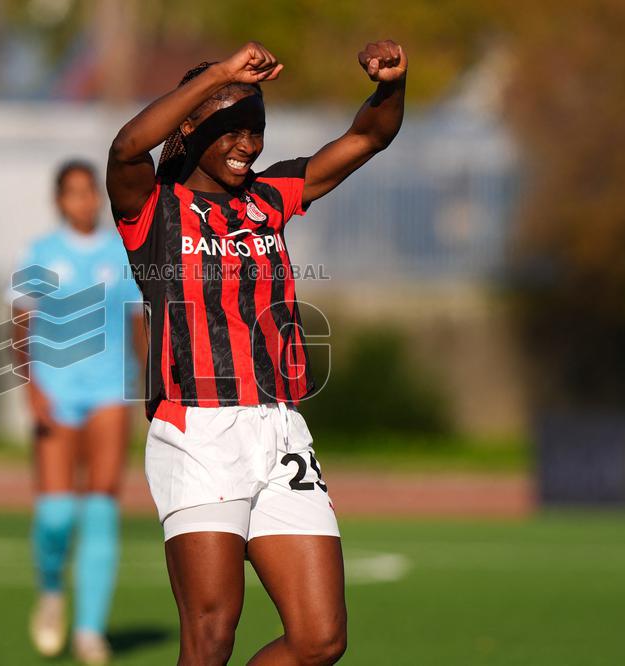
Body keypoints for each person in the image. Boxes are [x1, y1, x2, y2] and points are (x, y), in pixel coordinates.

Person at [106, 40, 407, 665]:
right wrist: (218, 74)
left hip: (281, 427)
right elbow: (125, 148)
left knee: (320, 639)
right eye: (231, 129)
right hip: (199, 429)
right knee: (211, 637)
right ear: (189, 128)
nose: (248, 144)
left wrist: (391, 87)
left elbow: (368, 137)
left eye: (256, 130)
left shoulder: (270, 198)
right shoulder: (151, 209)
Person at [9, 160, 145, 665]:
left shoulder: (122, 253)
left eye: (90, 192)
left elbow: (138, 323)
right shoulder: (40, 254)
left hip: (110, 392)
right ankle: (50, 589)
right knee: (56, 513)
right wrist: (33, 389)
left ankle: (90, 631)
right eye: (73, 193)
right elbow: (18, 326)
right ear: (59, 200)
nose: (83, 201)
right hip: (56, 390)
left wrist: (149, 385)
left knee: (102, 509)